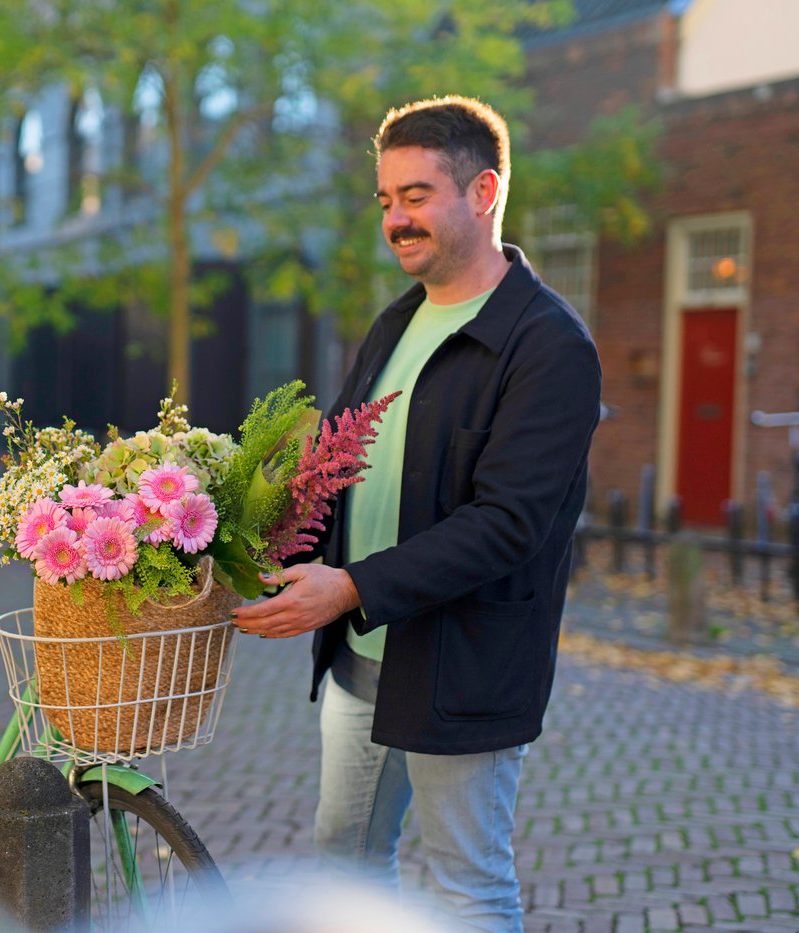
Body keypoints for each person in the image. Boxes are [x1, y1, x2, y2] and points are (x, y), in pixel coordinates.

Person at [230, 95, 601, 932]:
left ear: (483, 192)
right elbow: (341, 468)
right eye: (386, 200)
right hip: (363, 659)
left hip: (462, 665)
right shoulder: (395, 319)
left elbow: (509, 523)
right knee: (345, 855)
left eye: (417, 196)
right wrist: (260, 539)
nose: (395, 219)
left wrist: (349, 587)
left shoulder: (548, 345)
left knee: (467, 882)